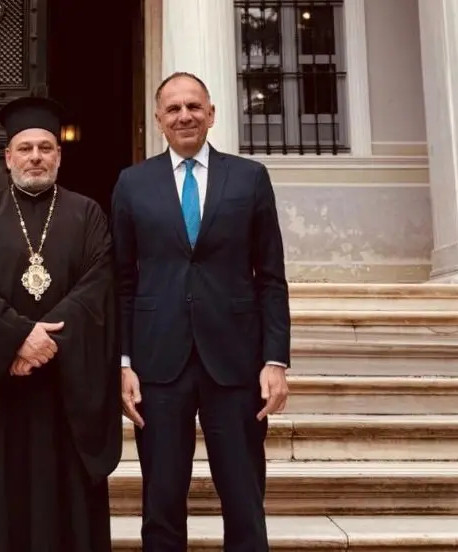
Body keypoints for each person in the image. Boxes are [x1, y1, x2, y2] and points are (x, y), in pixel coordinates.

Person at [0, 95, 123, 552]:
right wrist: (16, 338)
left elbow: (97, 287)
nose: (36, 157)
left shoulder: (87, 214)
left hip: (63, 393)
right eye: (25, 148)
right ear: (8, 157)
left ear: (59, 156)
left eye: (45, 148)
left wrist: (42, 342)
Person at [111, 72, 291, 551]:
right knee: (162, 502)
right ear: (158, 120)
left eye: (194, 106)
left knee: (244, 498)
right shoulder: (132, 183)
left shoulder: (250, 178)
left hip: (236, 362)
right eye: (173, 109)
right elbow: (122, 281)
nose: (184, 116)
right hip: (158, 363)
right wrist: (123, 362)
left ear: (211, 114)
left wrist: (275, 359)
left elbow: (271, 277)